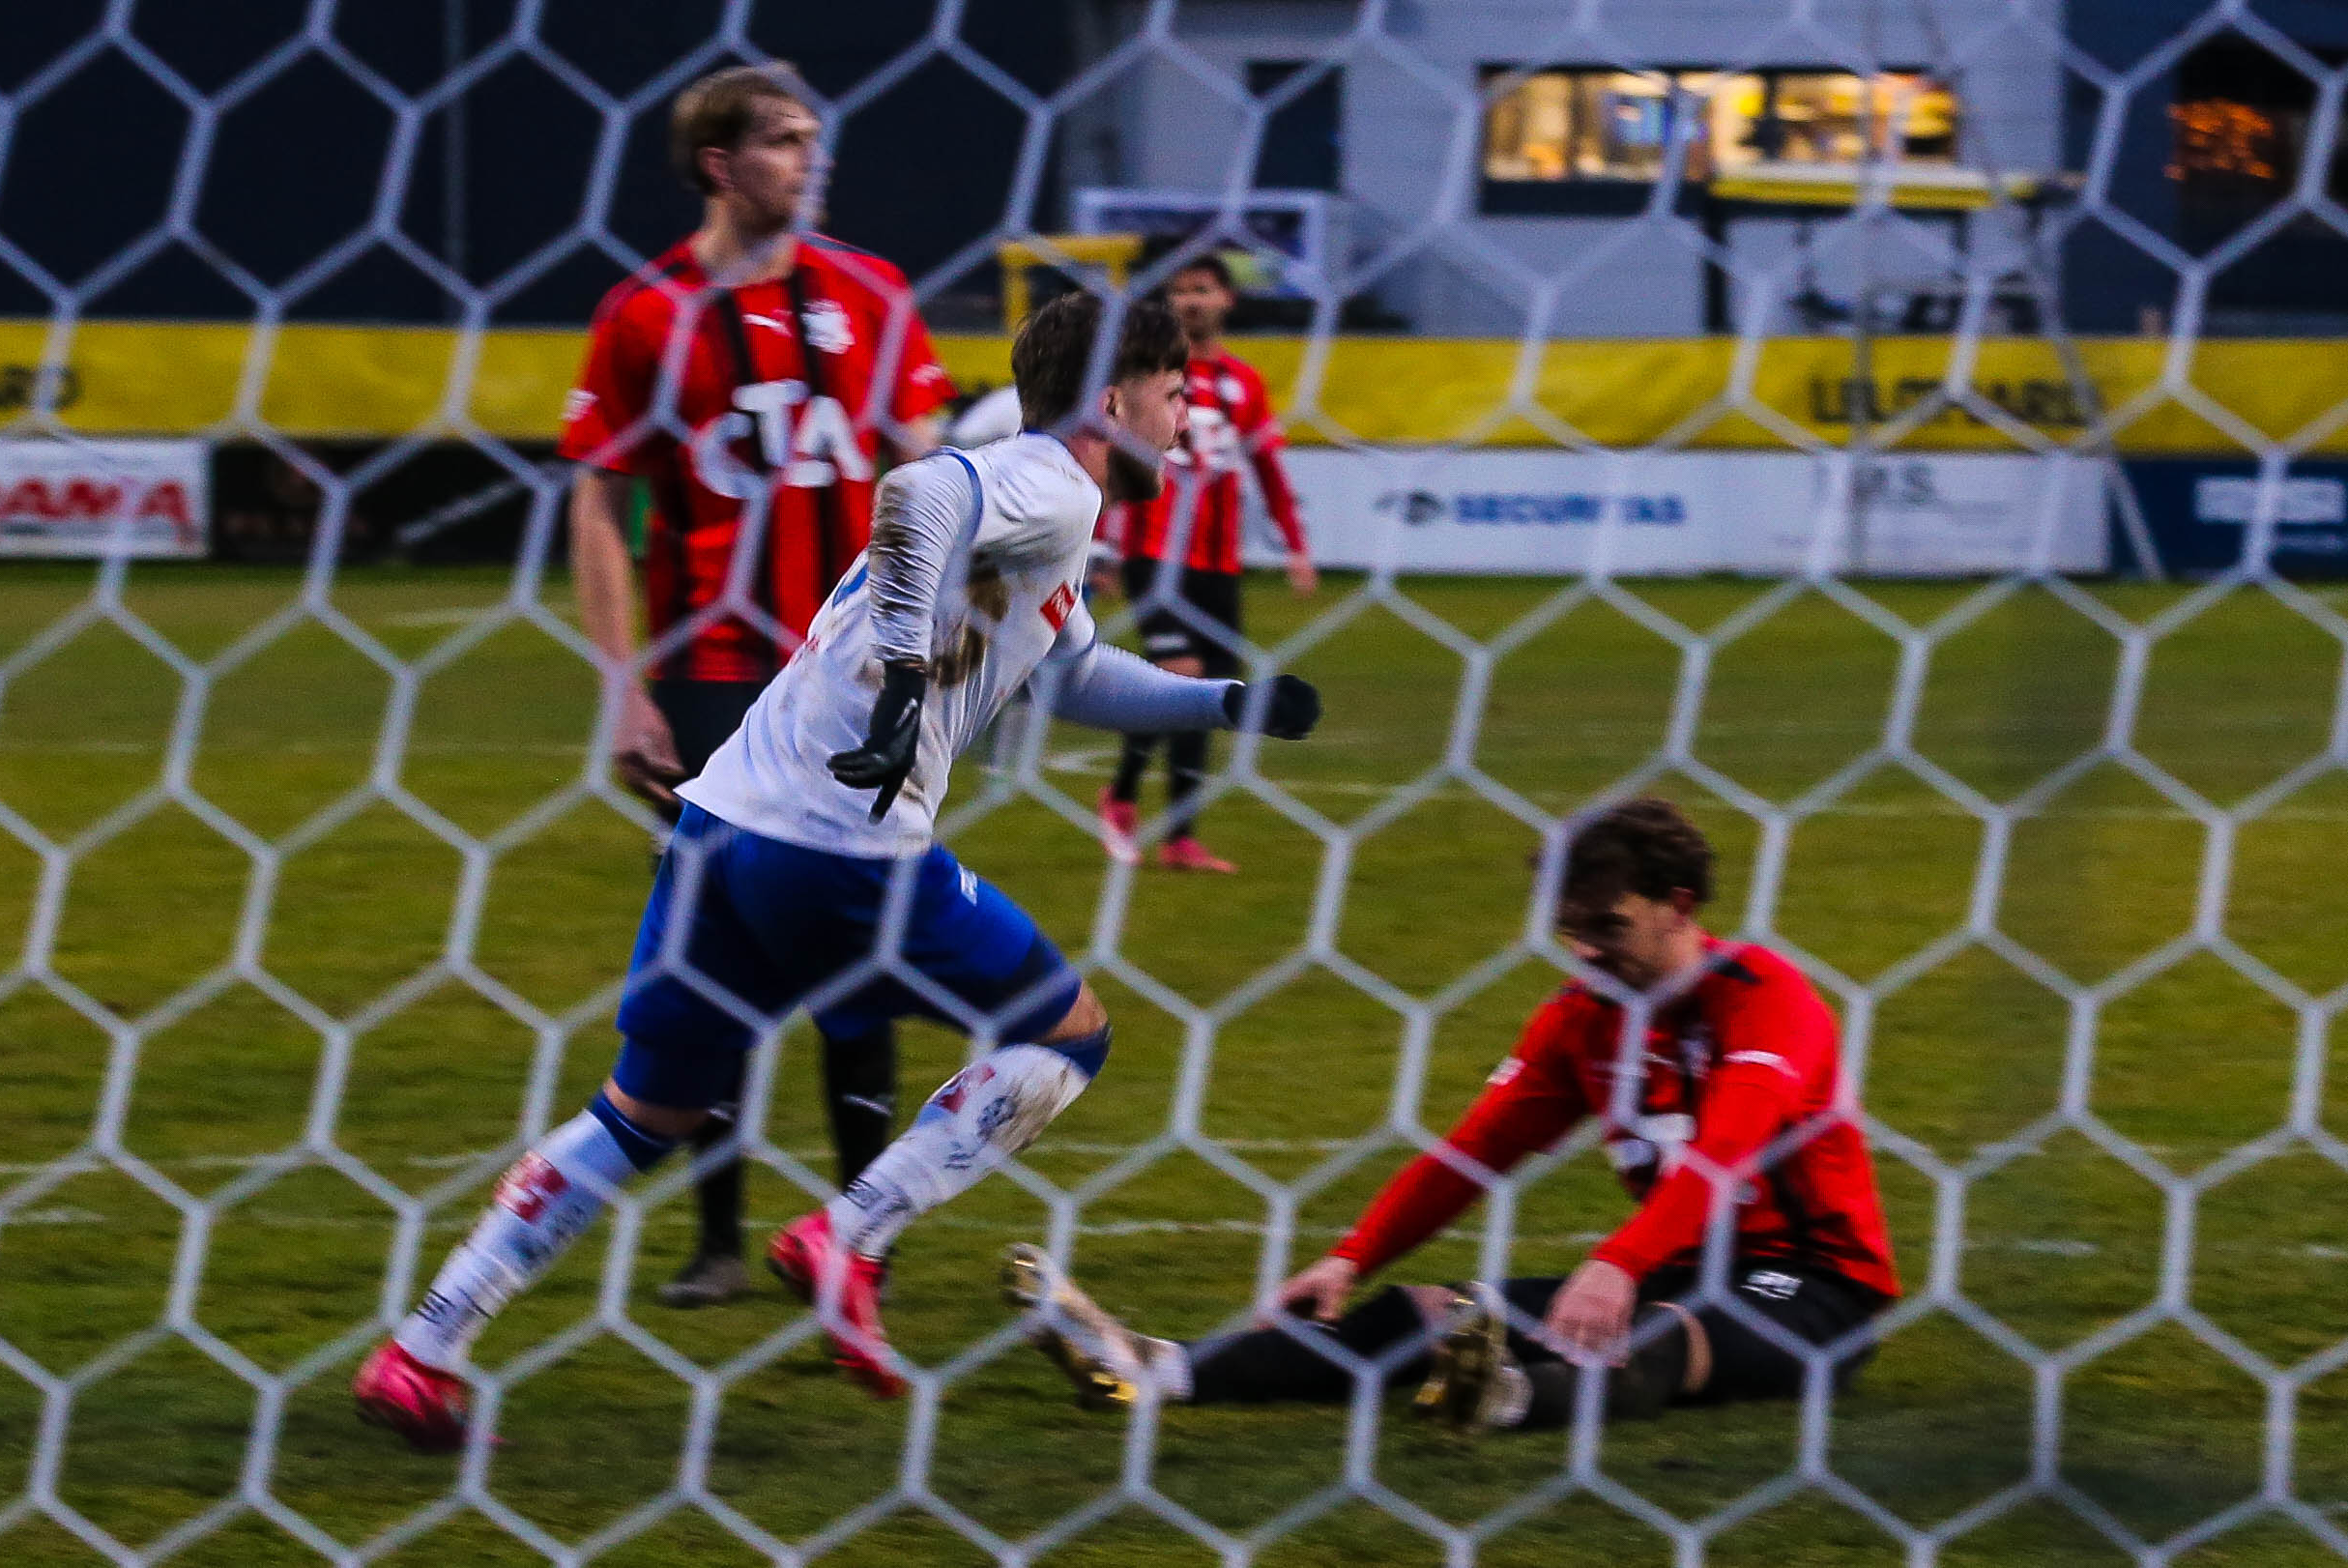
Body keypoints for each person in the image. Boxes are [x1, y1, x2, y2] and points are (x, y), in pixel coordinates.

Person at [352, 290, 1324, 1449]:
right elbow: (915, 491)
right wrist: (908, 669)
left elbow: (1070, 672)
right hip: (839, 844)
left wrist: (1228, 702)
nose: (1187, 414)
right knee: (1068, 1033)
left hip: (724, 824)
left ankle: (423, 1348)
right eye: (1174, 392)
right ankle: (847, 1235)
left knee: (645, 1109)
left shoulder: (1047, 510)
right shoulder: (1051, 482)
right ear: (1112, 403)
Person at [1005, 798, 1899, 1432]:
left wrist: (1617, 1264)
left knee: (1648, 1340)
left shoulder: (1764, 996)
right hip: (1670, 1269)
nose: (1585, 952)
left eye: (1608, 927)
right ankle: (1151, 1368)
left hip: (1812, 1288)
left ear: (1680, 909)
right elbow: (1470, 1155)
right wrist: (1352, 1258)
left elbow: (1726, 1150)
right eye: (1570, 930)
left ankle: (1504, 1399)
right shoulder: (1581, 1019)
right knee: (1429, 1314)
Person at [560, 64, 956, 1307]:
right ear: (720, 164)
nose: (809, 156)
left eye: (811, 135)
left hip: (850, 672)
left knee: (861, 944)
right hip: (711, 676)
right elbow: (599, 503)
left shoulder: (872, 293)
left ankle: (859, 1233)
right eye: (784, 139)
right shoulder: (643, 314)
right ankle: (719, 1240)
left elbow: (924, 473)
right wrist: (624, 686)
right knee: (710, 956)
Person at [1095, 253, 1317, 874]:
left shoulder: (1245, 382)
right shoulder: (1145, 377)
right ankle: (1120, 796)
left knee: (1209, 695)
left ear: (1227, 300)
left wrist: (1295, 546)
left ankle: (1181, 839)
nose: (1190, 301)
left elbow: (1268, 467)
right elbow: (1113, 461)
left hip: (1218, 562)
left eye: (1203, 289)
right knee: (1181, 673)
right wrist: (1105, 547)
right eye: (1180, 291)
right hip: (1153, 553)